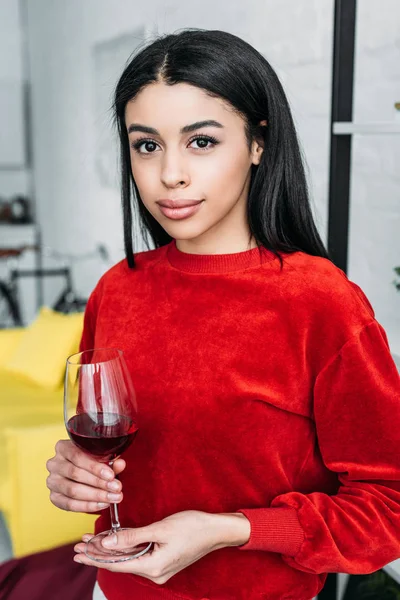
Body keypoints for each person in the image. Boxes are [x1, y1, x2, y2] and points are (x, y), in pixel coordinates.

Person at [45, 28, 400, 600]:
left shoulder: (322, 301)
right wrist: (75, 474)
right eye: (147, 145)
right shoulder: (116, 289)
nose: (170, 175)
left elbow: (390, 507)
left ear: (258, 143)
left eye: (201, 142)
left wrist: (228, 531)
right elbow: (111, 451)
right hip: (113, 592)